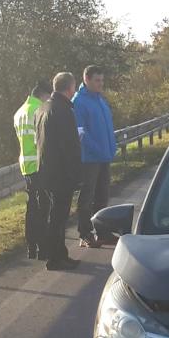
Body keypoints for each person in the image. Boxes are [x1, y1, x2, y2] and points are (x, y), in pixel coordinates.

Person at [35, 72, 83, 271]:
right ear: (70, 88)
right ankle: (55, 258)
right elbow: (69, 146)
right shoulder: (63, 110)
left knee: (56, 215)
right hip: (61, 172)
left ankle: (59, 254)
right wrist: (76, 174)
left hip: (46, 170)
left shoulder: (42, 108)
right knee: (58, 217)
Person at [71, 64, 118, 247]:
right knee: (87, 197)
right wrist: (97, 149)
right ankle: (84, 233)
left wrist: (110, 148)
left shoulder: (100, 100)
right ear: (86, 79)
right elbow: (80, 133)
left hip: (104, 156)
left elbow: (106, 128)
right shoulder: (79, 102)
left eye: (102, 80)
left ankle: (102, 232)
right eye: (97, 80)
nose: (101, 84)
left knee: (102, 195)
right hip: (89, 159)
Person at [13, 79, 52, 259]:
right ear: (44, 95)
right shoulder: (39, 110)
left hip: (26, 165)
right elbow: (42, 141)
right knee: (43, 207)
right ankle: (43, 247)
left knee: (31, 207)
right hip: (39, 164)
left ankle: (31, 245)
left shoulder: (20, 112)